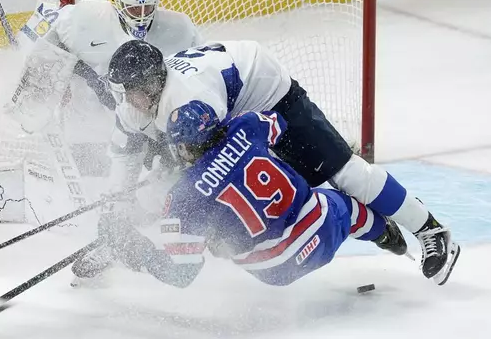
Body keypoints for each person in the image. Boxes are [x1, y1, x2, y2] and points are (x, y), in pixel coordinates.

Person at [73, 40, 459, 284]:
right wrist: (114, 212)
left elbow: (203, 172)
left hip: (271, 95)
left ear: (153, 84)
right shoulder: (139, 103)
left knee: (343, 172)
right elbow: (122, 162)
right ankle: (371, 225)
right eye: (124, 94)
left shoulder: (189, 99)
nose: (128, 101)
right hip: (236, 104)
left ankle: (431, 229)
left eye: (133, 92)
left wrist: (157, 207)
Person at [94, 101, 460, 287]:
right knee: (345, 206)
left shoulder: (184, 196)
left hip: (272, 272)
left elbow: (181, 274)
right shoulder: (248, 125)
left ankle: (382, 232)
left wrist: (132, 248)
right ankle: (387, 234)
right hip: (318, 231)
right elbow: (280, 126)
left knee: (223, 237)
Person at [0, 0, 203, 200]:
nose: (143, 16)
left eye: (148, 7)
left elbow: (197, 75)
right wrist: (56, 82)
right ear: (115, 1)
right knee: (37, 117)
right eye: (135, 9)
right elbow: (47, 51)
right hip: (98, 109)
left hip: (143, 109)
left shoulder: (180, 28)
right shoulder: (82, 19)